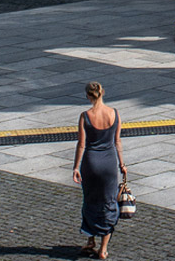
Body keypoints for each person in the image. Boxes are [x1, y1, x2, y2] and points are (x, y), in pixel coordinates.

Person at [71, 80, 126, 257]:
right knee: (108, 202)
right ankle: (103, 249)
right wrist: (122, 164)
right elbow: (117, 142)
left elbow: (81, 144)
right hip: (109, 163)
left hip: (90, 163)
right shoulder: (114, 114)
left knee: (90, 200)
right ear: (102, 93)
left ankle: (90, 240)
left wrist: (76, 167)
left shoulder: (85, 116)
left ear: (88, 96)